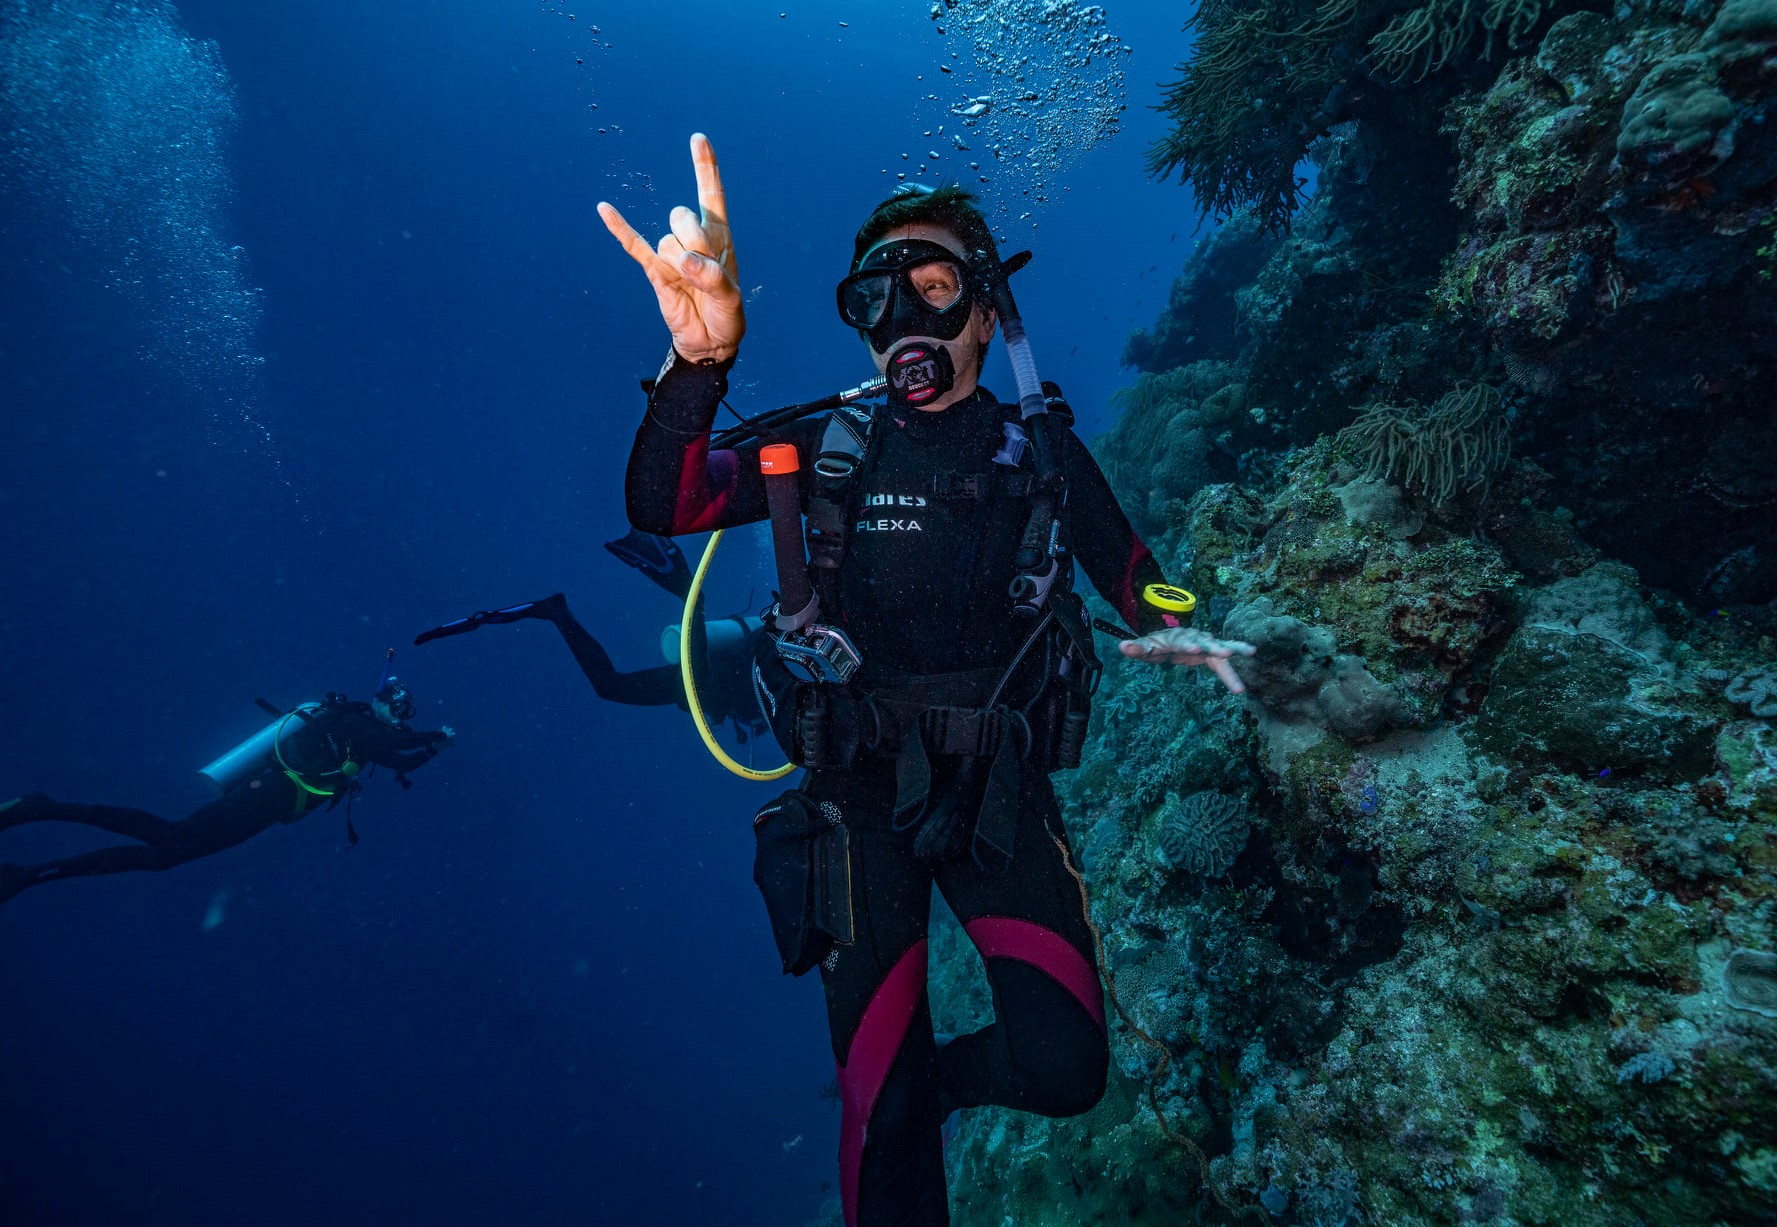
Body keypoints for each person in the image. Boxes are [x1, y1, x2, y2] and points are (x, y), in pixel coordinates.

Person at [598, 133, 1256, 1227]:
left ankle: (927, 1089)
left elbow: (1137, 575)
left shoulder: (1039, 451)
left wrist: (1185, 625)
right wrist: (696, 371)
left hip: (997, 796)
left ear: (987, 311)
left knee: (1063, 1072)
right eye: (880, 294)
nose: (908, 318)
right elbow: (658, 506)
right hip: (853, 798)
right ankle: (897, 1106)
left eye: (937, 285)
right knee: (881, 1120)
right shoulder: (821, 446)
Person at [0, 680, 454, 907]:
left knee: (167, 856)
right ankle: (43, 810)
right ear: (378, 703)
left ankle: (31, 872)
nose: (402, 715)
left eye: (406, 710)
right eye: (398, 706)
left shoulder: (368, 739)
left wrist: (434, 746)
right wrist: (436, 733)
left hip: (274, 806)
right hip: (268, 792)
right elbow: (399, 744)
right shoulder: (356, 721)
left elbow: (404, 760)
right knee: (169, 837)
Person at [411, 528, 768, 742]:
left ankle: (557, 613)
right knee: (696, 679)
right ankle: (692, 599)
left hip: (715, 686)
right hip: (726, 676)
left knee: (610, 687)